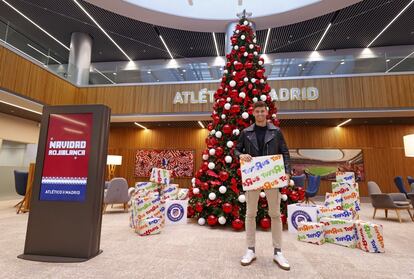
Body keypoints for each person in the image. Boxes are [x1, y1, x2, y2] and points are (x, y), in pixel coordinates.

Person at [235, 101, 291, 270]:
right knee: (250, 213)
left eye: (262, 111)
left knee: (275, 213)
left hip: (272, 177)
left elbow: (285, 152)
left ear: (267, 113)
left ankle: (278, 252)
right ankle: (250, 250)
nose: (260, 114)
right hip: (253, 177)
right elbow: (236, 150)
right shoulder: (246, 133)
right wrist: (241, 155)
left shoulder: (276, 131)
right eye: (257, 111)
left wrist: (287, 171)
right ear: (253, 113)